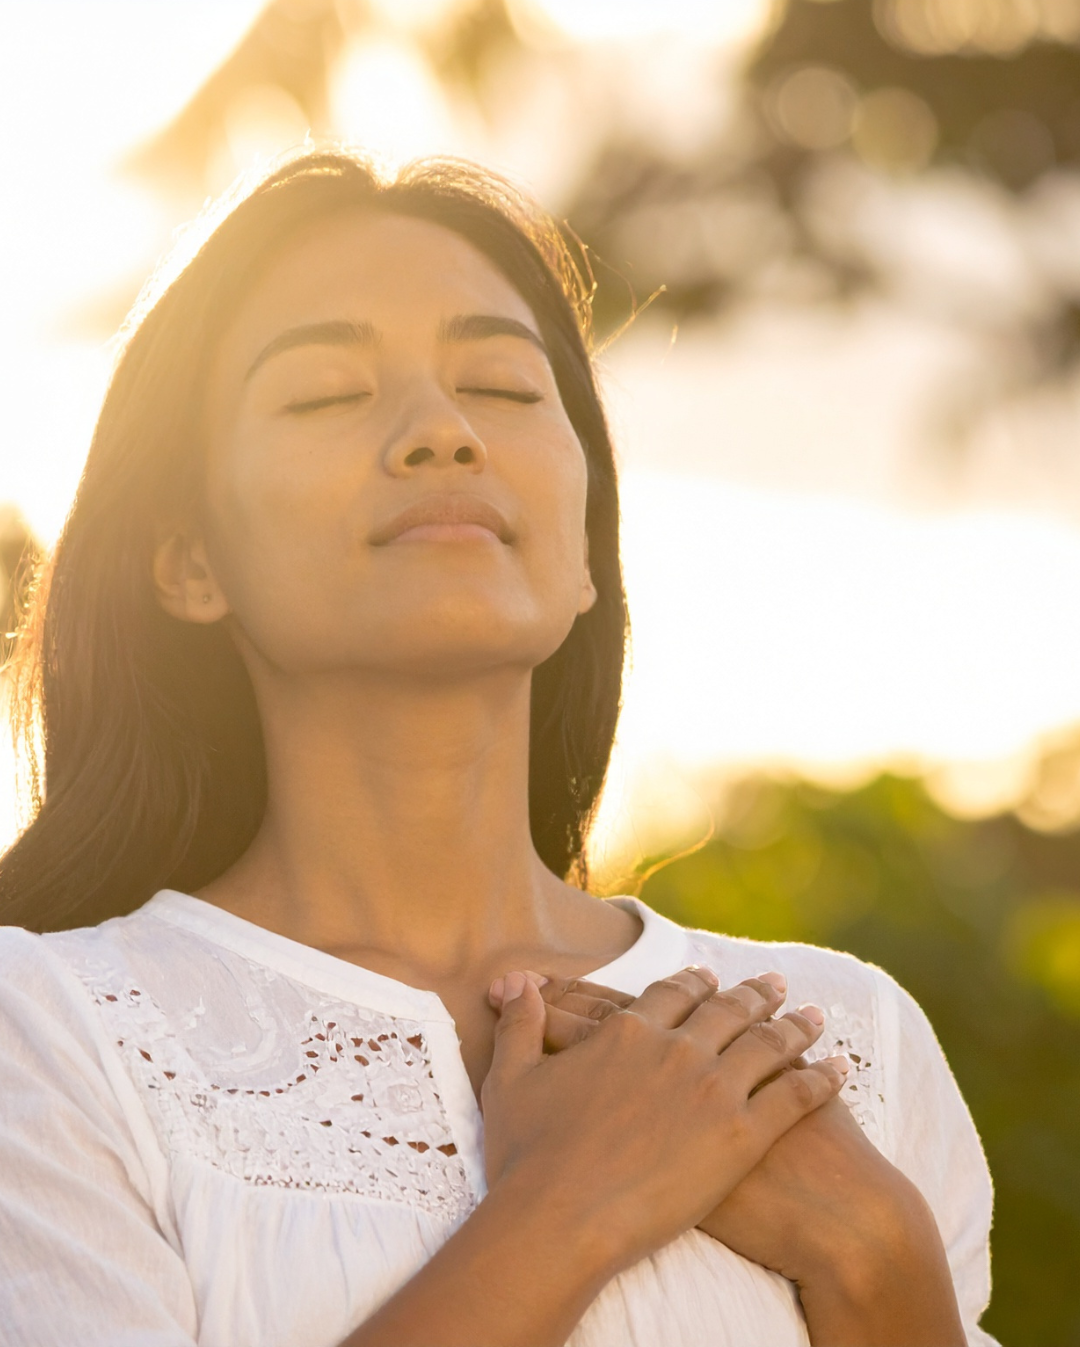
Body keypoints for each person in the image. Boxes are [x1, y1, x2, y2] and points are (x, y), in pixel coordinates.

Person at [0, 149, 994, 1347]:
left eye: (506, 388)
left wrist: (879, 1256)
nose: (442, 432)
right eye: (326, 392)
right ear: (188, 562)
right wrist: (573, 1206)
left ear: (584, 551)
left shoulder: (844, 1038)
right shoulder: (55, 1032)